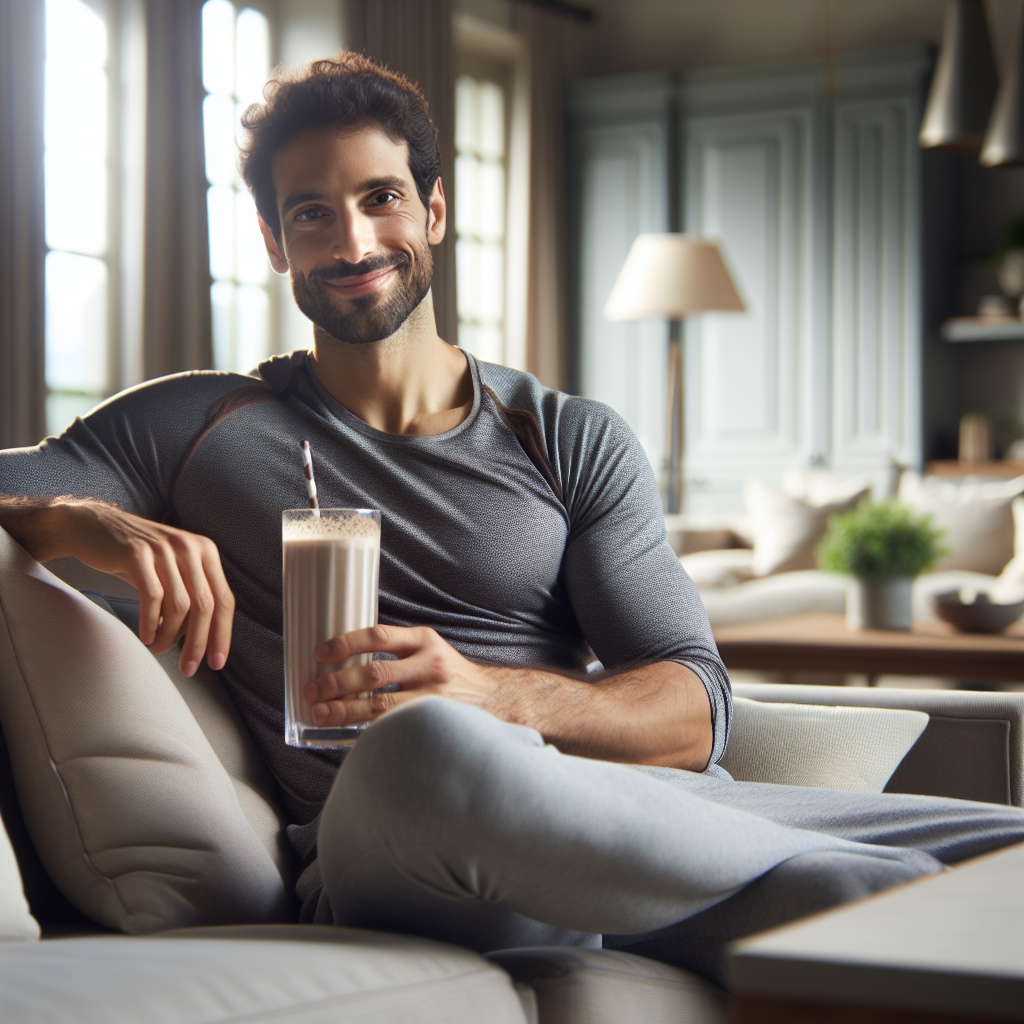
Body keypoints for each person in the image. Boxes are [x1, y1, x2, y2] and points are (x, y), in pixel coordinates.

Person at [1, 53, 1021, 985]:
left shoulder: (566, 438)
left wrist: (493, 691)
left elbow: (694, 712)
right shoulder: (196, 424)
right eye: (311, 213)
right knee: (424, 750)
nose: (353, 241)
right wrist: (73, 523)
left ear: (433, 210)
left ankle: (846, 868)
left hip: (600, 838)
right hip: (391, 838)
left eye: (380, 198)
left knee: (879, 900)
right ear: (272, 240)